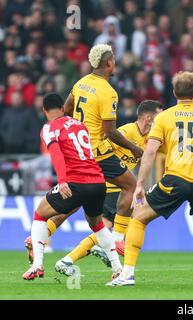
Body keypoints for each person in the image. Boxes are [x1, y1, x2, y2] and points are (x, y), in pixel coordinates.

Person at [106, 71, 193, 287]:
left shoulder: (164, 117)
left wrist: (139, 184)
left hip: (176, 179)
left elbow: (150, 152)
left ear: (174, 93)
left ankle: (128, 274)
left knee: (138, 217)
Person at [24, 100, 163, 275]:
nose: (162, 119)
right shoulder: (126, 132)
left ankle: (53, 249)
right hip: (103, 182)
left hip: (96, 182)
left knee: (75, 213)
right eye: (160, 114)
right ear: (149, 117)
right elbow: (99, 150)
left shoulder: (150, 138)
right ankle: (110, 246)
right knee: (98, 222)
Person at [22, 93, 122, 280]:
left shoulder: (49, 128)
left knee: (39, 214)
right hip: (98, 182)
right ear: (62, 108)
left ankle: (37, 265)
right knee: (98, 225)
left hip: (76, 182)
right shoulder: (78, 123)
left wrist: (62, 181)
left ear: (44, 110)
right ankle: (118, 269)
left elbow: (56, 155)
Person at [64, 44, 143, 250]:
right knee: (131, 186)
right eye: (114, 59)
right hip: (97, 151)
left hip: (78, 150)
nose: (115, 62)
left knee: (73, 198)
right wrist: (133, 147)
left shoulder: (81, 82)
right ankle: (117, 238)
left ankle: (41, 233)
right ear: (109, 63)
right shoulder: (108, 92)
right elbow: (110, 132)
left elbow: (66, 109)